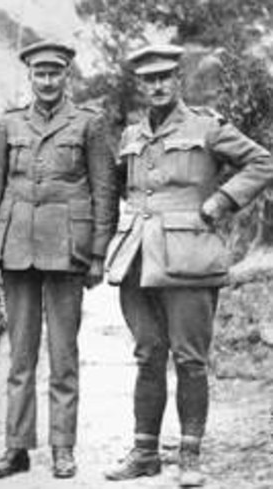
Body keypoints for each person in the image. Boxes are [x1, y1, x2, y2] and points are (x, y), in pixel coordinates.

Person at [104, 44, 273, 488]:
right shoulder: (130, 135)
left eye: (164, 77)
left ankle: (190, 456)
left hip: (189, 257)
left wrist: (218, 203)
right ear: (139, 85)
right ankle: (144, 453)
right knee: (147, 355)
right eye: (148, 79)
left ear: (177, 80)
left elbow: (262, 161)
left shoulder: (206, 125)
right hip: (138, 259)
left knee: (190, 359)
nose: (156, 85)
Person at [0, 40, 118, 479]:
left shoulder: (89, 124)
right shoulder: (8, 124)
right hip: (15, 250)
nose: (48, 81)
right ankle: (16, 448)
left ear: (66, 76)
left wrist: (96, 253)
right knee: (19, 358)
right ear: (30, 77)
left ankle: (62, 447)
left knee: (63, 355)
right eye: (40, 73)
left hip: (66, 252)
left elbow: (105, 190)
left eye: (55, 73)